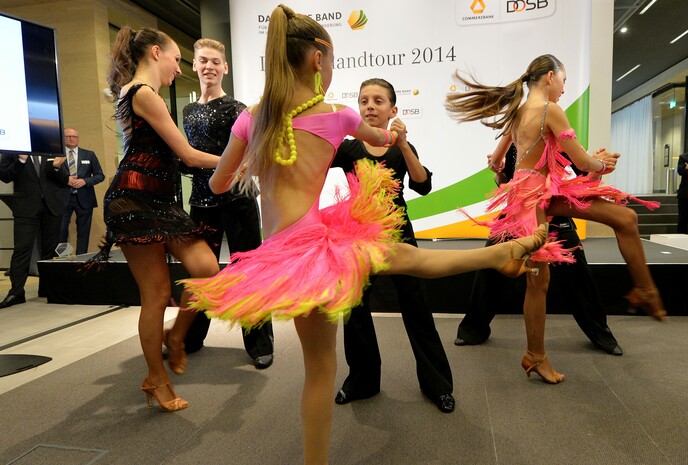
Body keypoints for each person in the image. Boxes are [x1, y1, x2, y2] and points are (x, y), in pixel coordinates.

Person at [179, 7, 547, 464]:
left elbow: (216, 185)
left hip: (282, 256)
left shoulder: (252, 117)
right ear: (317, 59)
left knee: (319, 371)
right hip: (320, 246)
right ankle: (501, 254)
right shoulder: (335, 115)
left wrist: (252, 162)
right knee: (411, 260)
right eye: (331, 61)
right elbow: (380, 138)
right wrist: (395, 132)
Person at [447, 54, 666, 385]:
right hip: (537, 197)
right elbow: (582, 161)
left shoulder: (518, 112)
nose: (564, 88)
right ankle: (536, 355)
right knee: (540, 278)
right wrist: (603, 163)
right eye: (564, 81)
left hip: (537, 193)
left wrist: (507, 166)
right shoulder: (551, 110)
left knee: (623, 218)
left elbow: (496, 161)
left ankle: (645, 291)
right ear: (550, 77)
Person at [96, 26, 224, 413]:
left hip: (158, 200)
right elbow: (187, 154)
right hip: (133, 199)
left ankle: (177, 336)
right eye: (177, 59)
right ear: (156, 52)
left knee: (206, 269)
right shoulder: (143, 93)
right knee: (154, 295)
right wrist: (239, 163)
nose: (179, 68)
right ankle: (157, 378)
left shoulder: (140, 93)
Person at [331, 78, 455, 413]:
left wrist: (403, 144)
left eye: (378, 101)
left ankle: (437, 385)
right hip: (358, 237)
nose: (370, 106)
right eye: (363, 101)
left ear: (393, 110)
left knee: (416, 307)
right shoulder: (348, 148)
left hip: (398, 234)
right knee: (354, 310)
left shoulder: (402, 148)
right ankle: (362, 381)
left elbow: (423, 185)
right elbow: (312, 166)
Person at [455, 144, 623, 356]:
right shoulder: (515, 140)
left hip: (555, 215)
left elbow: (588, 183)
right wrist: (499, 173)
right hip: (515, 215)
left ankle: (601, 334)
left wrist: (599, 166)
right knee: (490, 267)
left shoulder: (563, 140)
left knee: (578, 276)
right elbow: (504, 183)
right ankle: (472, 329)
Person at [178, 38, 274, 369]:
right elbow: (188, 156)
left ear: (225, 68)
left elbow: (252, 153)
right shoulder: (188, 110)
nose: (209, 66)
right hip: (202, 201)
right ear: (194, 65)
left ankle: (260, 341)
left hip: (239, 199)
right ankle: (191, 338)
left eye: (215, 62)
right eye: (203, 60)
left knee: (249, 271)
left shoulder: (238, 109)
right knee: (201, 272)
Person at [0, 151, 69, 308]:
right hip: (25, 207)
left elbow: (65, 179)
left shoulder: (50, 148)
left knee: (49, 251)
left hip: (52, 207)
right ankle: (16, 292)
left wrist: (57, 168)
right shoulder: (13, 150)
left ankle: (47, 289)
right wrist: (21, 161)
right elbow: (4, 175)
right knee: (21, 249)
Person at [58, 127, 105, 255]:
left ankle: (81, 258)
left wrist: (85, 181)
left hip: (85, 198)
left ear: (78, 138)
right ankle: (62, 258)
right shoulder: (58, 155)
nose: (72, 139)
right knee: (61, 230)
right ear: (63, 138)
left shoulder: (89, 154)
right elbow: (50, 175)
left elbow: (100, 175)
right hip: (63, 198)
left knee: (83, 231)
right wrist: (65, 180)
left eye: (75, 136)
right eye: (68, 136)